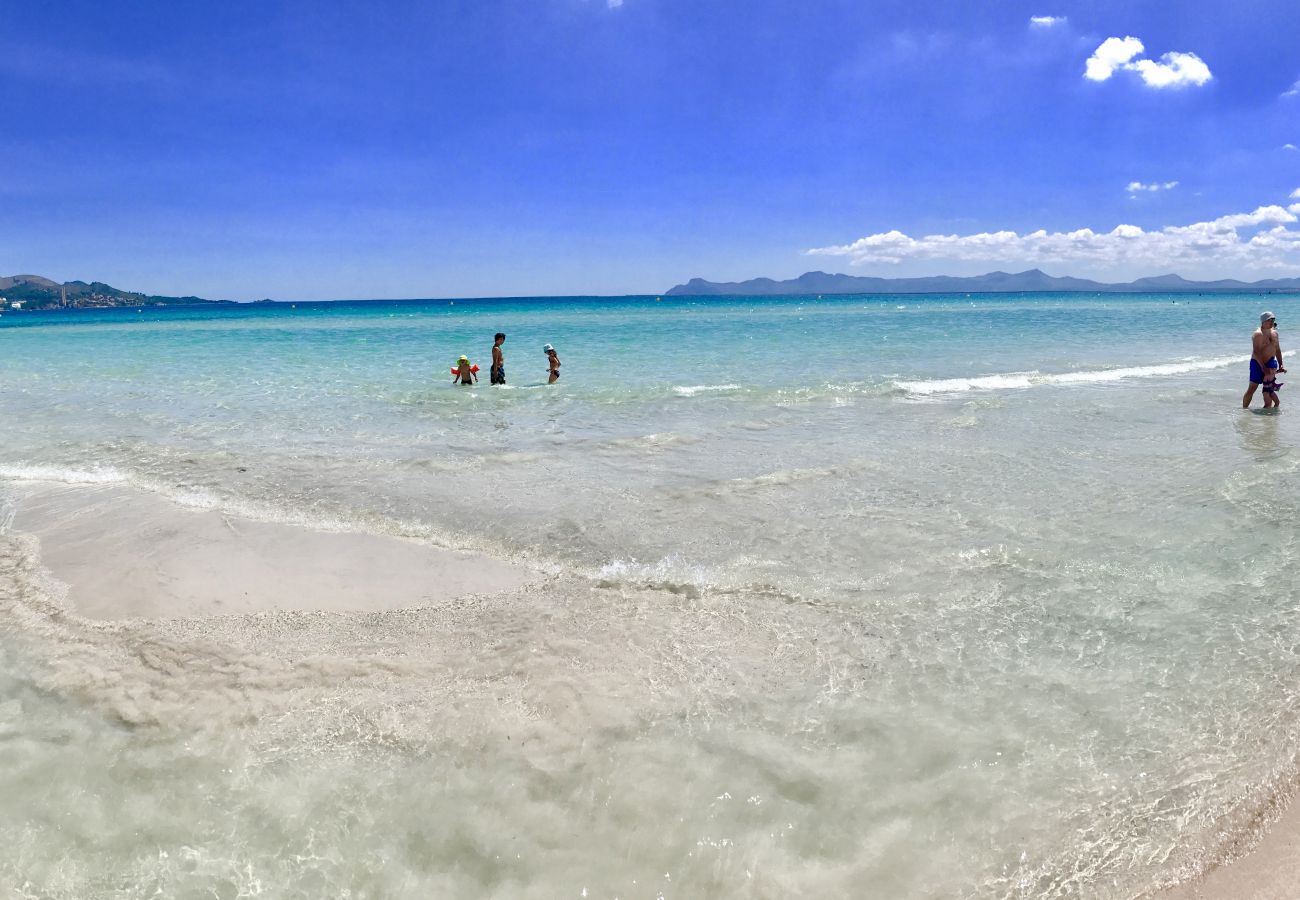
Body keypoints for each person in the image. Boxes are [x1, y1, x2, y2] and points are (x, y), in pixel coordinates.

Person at [1244, 312, 1285, 409]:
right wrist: (1264, 368)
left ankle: (1267, 412)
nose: (1271, 322)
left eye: (1273, 320)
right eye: (1269, 320)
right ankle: (1244, 410)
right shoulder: (1258, 334)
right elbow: (1256, 353)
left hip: (1270, 364)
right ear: (1263, 321)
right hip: (1258, 364)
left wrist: (1281, 364)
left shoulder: (1275, 333)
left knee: (1268, 389)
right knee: (1252, 388)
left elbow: (1277, 349)